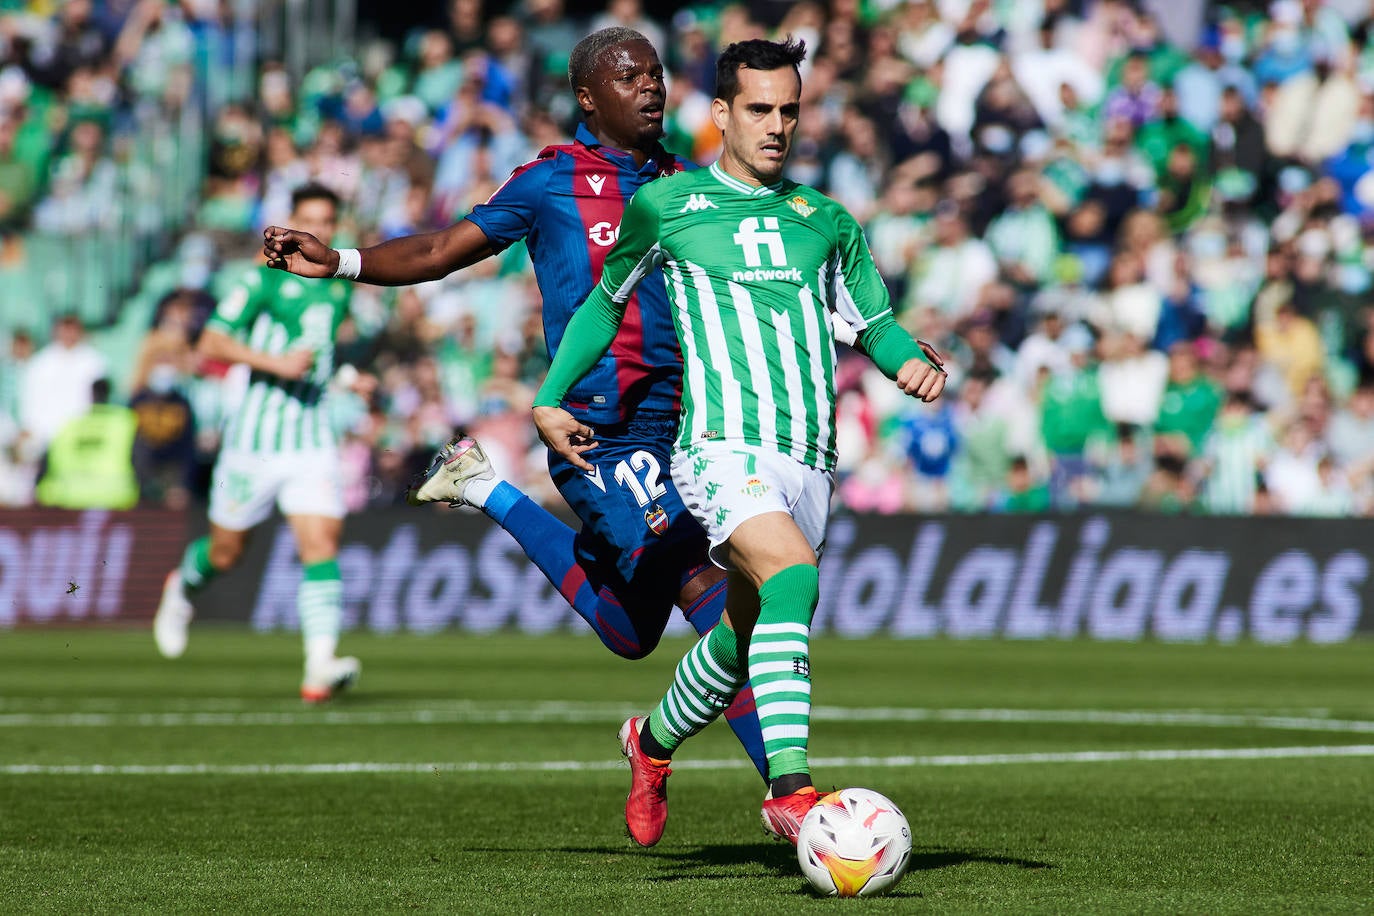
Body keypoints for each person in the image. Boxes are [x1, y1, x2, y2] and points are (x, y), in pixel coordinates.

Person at [261, 28, 780, 841]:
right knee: (717, 600)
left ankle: (485, 488)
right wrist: (342, 264)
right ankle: (793, 797)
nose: (650, 87)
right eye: (627, 75)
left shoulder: (693, 184)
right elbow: (439, 249)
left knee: (630, 630)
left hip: (693, 431)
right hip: (599, 430)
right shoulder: (551, 182)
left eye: (655, 74)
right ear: (587, 96)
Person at [531, 38, 947, 845]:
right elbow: (603, 305)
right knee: (792, 578)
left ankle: (648, 745)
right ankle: (792, 790)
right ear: (721, 113)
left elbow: (876, 326)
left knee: (741, 633)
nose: (777, 125)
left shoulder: (825, 220)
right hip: (719, 448)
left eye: (790, 109)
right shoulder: (669, 205)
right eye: (760, 108)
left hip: (809, 461)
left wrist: (913, 367)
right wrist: (550, 397)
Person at [153, 183, 362, 704]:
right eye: (308, 218)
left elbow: (319, 354)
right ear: (292, 221)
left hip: (311, 436)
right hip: (255, 441)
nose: (318, 228)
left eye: (326, 220)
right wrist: (276, 365)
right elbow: (210, 341)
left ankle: (319, 668)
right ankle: (182, 587)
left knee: (321, 545)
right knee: (226, 553)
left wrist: (346, 379)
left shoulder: (338, 282)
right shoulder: (262, 276)